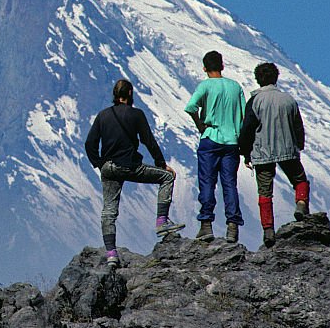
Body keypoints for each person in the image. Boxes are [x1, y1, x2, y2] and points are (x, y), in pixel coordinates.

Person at [85, 79, 185, 268]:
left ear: (115, 94)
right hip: (129, 165)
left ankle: (111, 254)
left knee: (108, 210)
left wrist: (99, 164)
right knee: (167, 177)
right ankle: (162, 222)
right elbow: (148, 140)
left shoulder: (103, 115)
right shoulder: (136, 114)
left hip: (108, 167)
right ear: (130, 93)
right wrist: (161, 164)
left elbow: (90, 144)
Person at [238, 62, 310, 247]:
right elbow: (298, 126)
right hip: (287, 150)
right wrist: (299, 145)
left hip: (262, 152)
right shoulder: (288, 100)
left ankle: (268, 230)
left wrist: (245, 153)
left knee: (265, 192)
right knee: (300, 179)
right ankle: (301, 203)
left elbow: (247, 129)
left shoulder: (255, 101)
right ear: (276, 78)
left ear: (257, 79)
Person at [184, 50, 246, 243]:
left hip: (210, 138)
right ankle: (232, 225)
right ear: (222, 66)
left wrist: (200, 125)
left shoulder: (206, 86)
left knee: (207, 181)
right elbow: (243, 117)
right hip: (232, 142)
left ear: (204, 68)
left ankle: (206, 224)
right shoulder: (235, 87)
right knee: (229, 183)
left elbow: (191, 107)